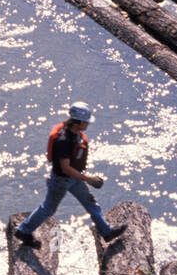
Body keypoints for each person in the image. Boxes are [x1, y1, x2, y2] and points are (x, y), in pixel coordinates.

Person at [13, 102, 126, 249]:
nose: (87, 125)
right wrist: (88, 178)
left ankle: (106, 231)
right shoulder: (64, 140)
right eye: (85, 122)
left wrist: (83, 178)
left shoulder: (76, 134)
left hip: (74, 178)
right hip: (61, 181)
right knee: (48, 208)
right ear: (77, 122)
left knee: (91, 203)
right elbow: (65, 168)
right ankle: (23, 231)